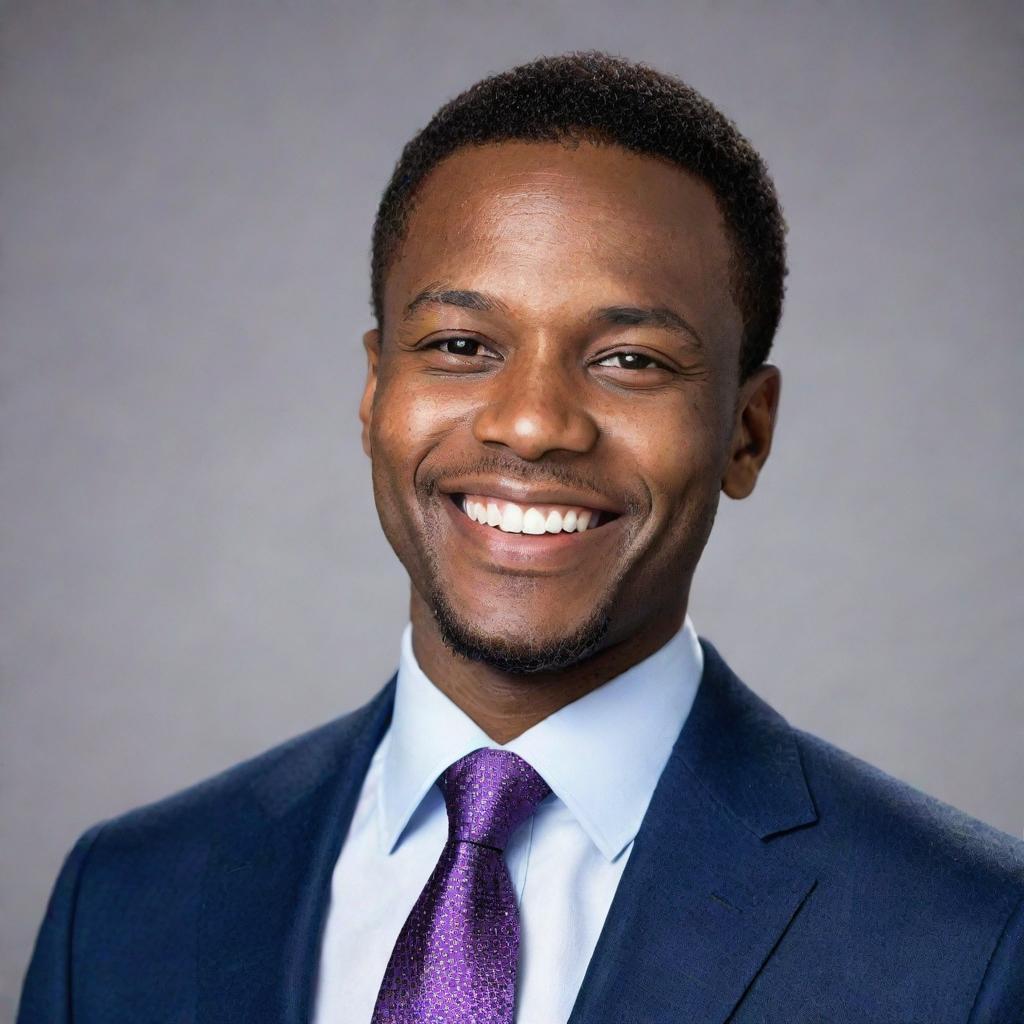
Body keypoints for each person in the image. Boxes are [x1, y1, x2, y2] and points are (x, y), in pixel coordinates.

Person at [17, 51, 1024, 1024]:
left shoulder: (970, 938)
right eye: (460, 345)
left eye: (629, 358)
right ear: (376, 392)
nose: (532, 421)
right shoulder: (123, 901)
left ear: (745, 432)